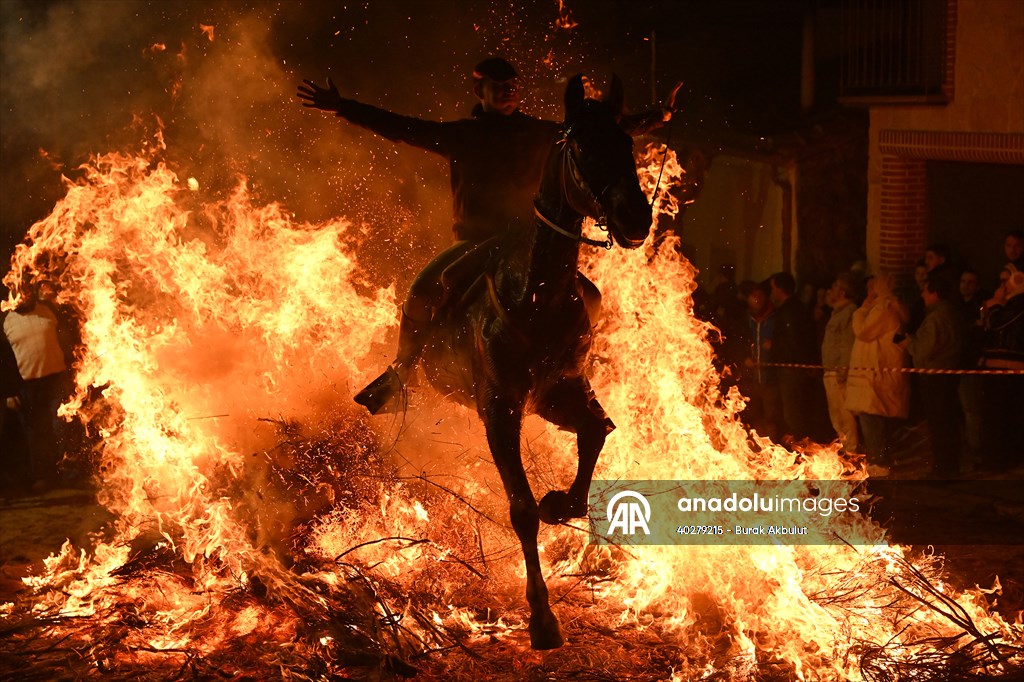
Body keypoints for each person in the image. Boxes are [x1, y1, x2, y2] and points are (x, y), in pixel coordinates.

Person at [298, 58, 679, 413]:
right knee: (423, 290)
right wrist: (344, 107)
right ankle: (402, 372)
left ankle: (570, 372)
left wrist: (655, 117)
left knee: (590, 297)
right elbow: (402, 128)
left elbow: (603, 133)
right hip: (475, 243)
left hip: (527, 245)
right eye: (499, 86)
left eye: (513, 85)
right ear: (480, 91)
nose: (509, 92)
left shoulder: (541, 133)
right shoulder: (461, 135)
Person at [1, 278, 72, 491]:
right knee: (36, 433)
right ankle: (44, 476)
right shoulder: (6, 321)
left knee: (62, 427)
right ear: (12, 294)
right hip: (27, 385)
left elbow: (67, 337)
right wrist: (9, 393)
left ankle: (69, 474)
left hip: (58, 378)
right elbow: (4, 360)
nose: (26, 294)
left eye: (28, 290)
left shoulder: (48, 310)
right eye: (20, 291)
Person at [900, 270, 964, 477]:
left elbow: (924, 349)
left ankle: (943, 470)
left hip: (936, 378)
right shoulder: (950, 313)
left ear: (935, 293)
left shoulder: (937, 318)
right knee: (947, 423)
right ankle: (948, 467)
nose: (922, 296)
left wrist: (909, 342)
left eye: (925, 292)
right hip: (946, 376)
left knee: (940, 425)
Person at [846, 274, 910, 476]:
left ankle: (879, 462)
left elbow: (863, 331)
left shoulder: (883, 309)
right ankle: (880, 460)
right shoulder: (885, 308)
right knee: (874, 418)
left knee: (872, 418)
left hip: (874, 376)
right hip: (873, 374)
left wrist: (862, 310)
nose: (869, 293)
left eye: (872, 289)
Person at [977, 264, 1024, 472]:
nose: (1002, 286)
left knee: (1000, 418)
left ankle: (999, 461)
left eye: (1007, 281)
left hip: (1007, 371)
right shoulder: (1010, 305)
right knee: (996, 417)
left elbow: (999, 323)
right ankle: (997, 458)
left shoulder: (1018, 304)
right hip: (996, 369)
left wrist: (995, 305)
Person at [768, 272, 820, 441]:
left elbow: (795, 340)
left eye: (773, 288)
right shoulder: (795, 308)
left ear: (780, 289)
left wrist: (774, 348)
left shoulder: (789, 311)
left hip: (791, 368)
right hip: (792, 366)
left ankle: (801, 446)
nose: (772, 292)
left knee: (792, 410)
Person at [821, 273, 859, 453]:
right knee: (836, 415)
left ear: (843, 292)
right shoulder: (838, 313)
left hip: (839, 373)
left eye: (835, 287)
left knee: (845, 416)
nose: (831, 291)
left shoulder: (849, 313)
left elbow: (847, 344)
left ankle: (851, 451)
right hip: (831, 371)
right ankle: (846, 448)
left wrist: (843, 370)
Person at [740, 283, 780, 442]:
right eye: (753, 295)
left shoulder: (775, 318)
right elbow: (736, 342)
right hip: (751, 377)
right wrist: (743, 359)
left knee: (772, 416)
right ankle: (755, 447)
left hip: (770, 377)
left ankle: (773, 449)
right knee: (754, 415)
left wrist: (774, 346)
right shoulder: (744, 319)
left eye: (761, 295)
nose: (757, 299)